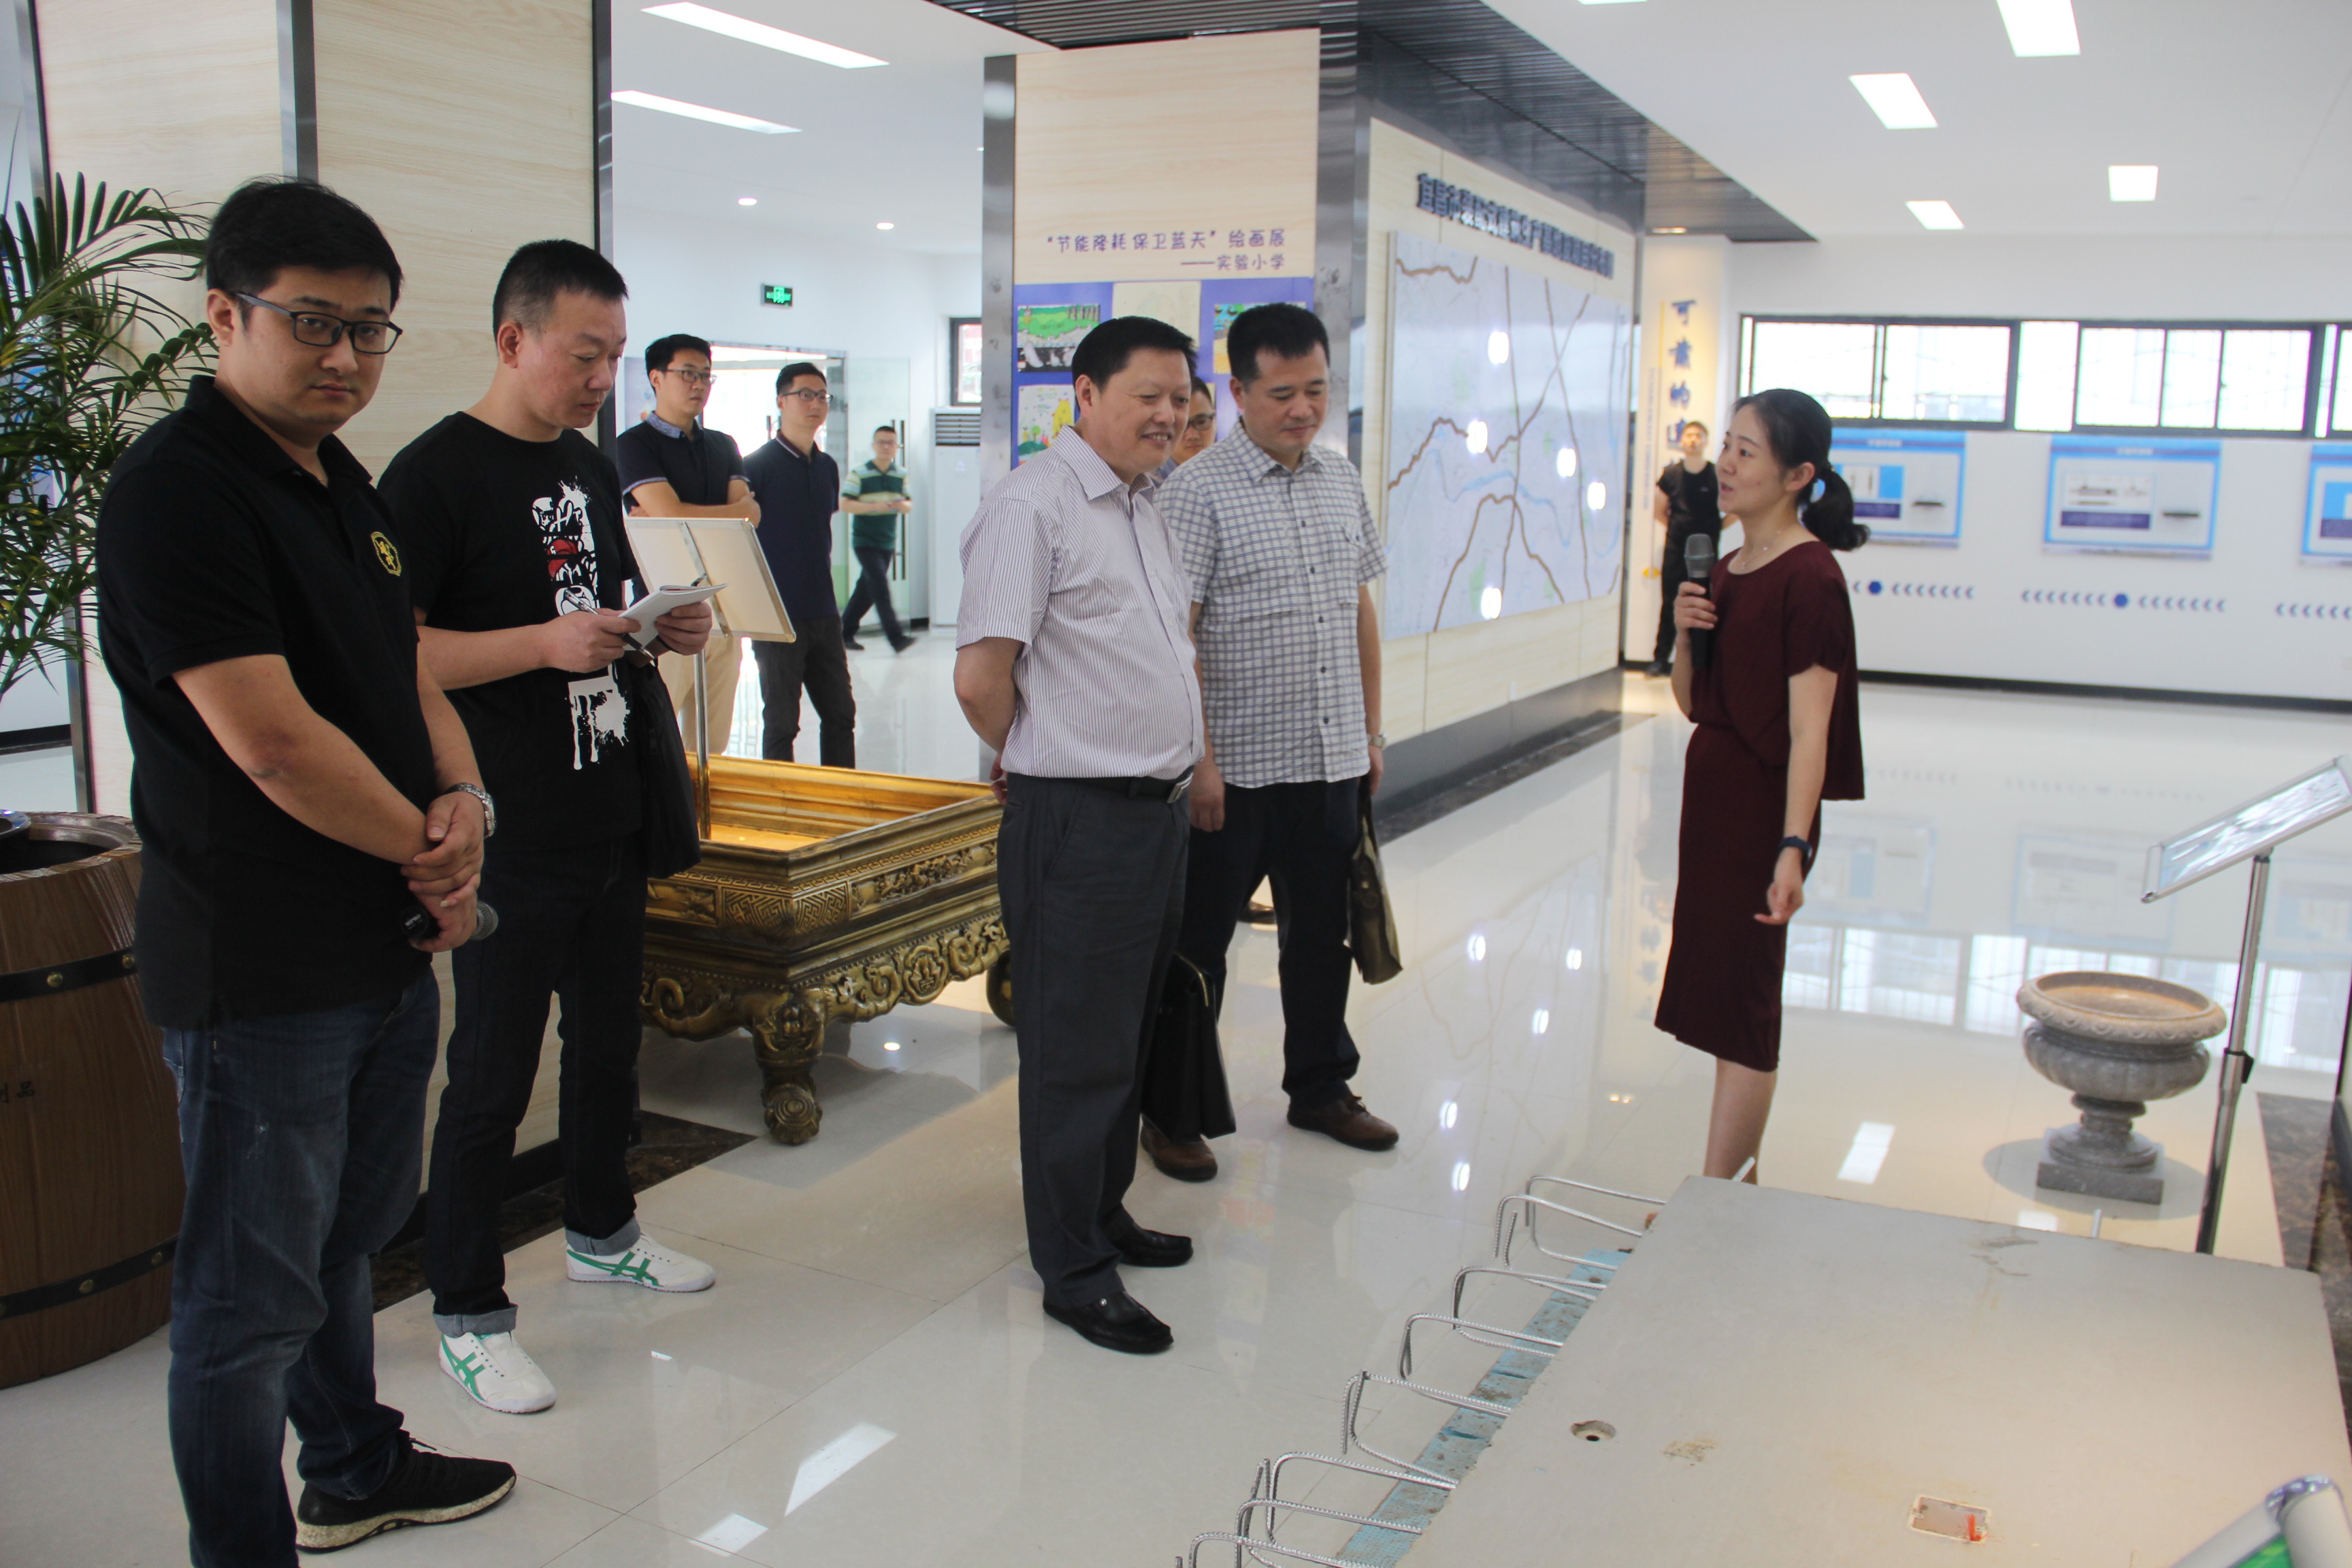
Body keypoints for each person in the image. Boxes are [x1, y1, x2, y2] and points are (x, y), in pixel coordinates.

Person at [96, 176, 514, 1562]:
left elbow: (404, 670)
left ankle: (352, 1465)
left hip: (381, 935)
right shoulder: (179, 491)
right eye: (313, 323)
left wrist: (462, 803)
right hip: (263, 967)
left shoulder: (343, 481)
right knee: (245, 1300)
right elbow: (272, 744)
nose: (345, 355)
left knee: (346, 1239)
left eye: (370, 329)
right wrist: (433, 857)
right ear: (226, 315)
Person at [381, 240, 719, 1420]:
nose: (601, 380)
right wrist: (539, 646)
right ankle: (469, 1310)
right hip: (508, 824)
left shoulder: (584, 463)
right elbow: (396, 654)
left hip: (608, 806)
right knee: (488, 1076)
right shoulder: (431, 477)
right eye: (586, 355)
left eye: (616, 358)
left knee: (608, 1046)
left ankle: (602, 1231)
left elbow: (594, 613)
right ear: (512, 338)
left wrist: (657, 627)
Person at [953, 316, 1203, 1354]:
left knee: (1127, 1034)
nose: (1169, 415)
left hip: (1155, 814)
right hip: (1078, 818)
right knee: (1074, 1052)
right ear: (1086, 395)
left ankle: (1102, 1212)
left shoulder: (1146, 505)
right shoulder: (1033, 504)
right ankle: (1073, 1268)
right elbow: (981, 677)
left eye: (1181, 398)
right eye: (1149, 396)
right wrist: (1039, 751)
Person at [1157, 302, 1396, 1184]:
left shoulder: (1339, 478)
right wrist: (1201, 762)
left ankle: (1322, 1088)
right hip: (1235, 774)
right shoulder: (1197, 492)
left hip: (1330, 761)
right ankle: (1174, 1111)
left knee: (1322, 939)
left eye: (1317, 391)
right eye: (1284, 393)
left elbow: (1358, 610)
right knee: (1199, 948)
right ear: (1239, 392)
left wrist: (1370, 732)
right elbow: (1176, 638)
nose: (1304, 409)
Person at [1654, 389, 1866, 1183]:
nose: (1728, 464)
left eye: (1747, 452)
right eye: (1728, 446)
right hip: (1713, 807)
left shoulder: (1810, 578)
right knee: (1719, 999)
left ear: (1798, 475)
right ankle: (1727, 1191)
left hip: (1759, 815)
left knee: (1744, 1009)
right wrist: (1685, 634)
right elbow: (1692, 702)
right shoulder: (1727, 565)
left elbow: (1812, 732)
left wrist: (1792, 847)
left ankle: (1719, 1200)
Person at [616, 331, 758, 747]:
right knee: (659, 737)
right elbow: (672, 512)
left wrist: (677, 514)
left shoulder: (723, 444)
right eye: (688, 374)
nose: (699, 385)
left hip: (725, 607)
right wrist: (723, 514)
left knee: (713, 744)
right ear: (657, 378)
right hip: (665, 612)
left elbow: (751, 516)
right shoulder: (633, 445)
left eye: (706, 376)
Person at [742, 361, 858, 764]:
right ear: (781, 401)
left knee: (841, 715)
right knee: (781, 723)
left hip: (823, 610)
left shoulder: (827, 467)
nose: (815, 404)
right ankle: (780, 800)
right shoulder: (755, 467)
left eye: (822, 396)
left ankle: (841, 797)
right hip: (776, 615)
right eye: (805, 395)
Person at [1648, 419, 1720, 679]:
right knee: (1670, 603)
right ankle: (1660, 660)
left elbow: (1732, 509)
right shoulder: (1671, 475)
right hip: (1676, 549)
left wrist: (1718, 527)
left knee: (1705, 604)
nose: (1693, 440)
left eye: (1699, 435)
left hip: (1706, 551)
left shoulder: (1716, 474)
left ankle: (1703, 661)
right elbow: (1659, 510)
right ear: (1682, 441)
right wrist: (1678, 528)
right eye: (1689, 435)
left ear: (1706, 441)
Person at [840, 423, 914, 652]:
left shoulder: (900, 474)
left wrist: (900, 505)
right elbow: (845, 504)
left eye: (890, 443)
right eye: (881, 442)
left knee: (866, 590)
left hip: (887, 542)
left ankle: (843, 633)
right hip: (865, 541)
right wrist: (875, 506)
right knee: (880, 588)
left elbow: (908, 504)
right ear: (874, 445)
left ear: (897, 446)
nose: (886, 447)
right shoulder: (859, 473)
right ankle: (896, 638)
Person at [1158, 374, 1216, 479]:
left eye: (1201, 422)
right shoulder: (1147, 484)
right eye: (1183, 425)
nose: (1192, 435)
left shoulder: (1233, 473)